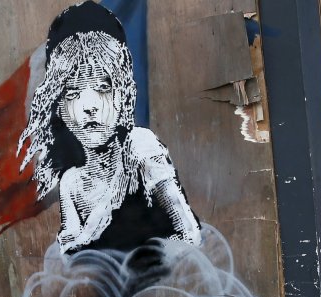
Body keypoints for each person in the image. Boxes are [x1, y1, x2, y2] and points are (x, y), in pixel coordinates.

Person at [18, 1, 201, 258]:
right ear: (59, 106)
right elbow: (69, 251)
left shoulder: (140, 147)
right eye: (73, 93)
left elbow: (189, 234)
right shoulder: (72, 182)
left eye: (103, 88)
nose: (89, 106)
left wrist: (142, 258)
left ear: (123, 94)